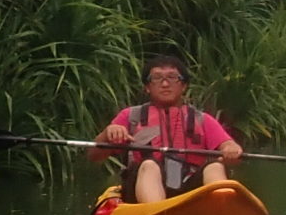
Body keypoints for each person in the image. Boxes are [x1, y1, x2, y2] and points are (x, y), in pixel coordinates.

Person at [91, 52, 243, 205]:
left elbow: (229, 146)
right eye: (157, 78)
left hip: (189, 189)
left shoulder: (202, 120)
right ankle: (157, 212)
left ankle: (220, 209)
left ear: (183, 86)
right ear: (147, 87)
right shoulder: (130, 116)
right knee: (149, 165)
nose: (164, 84)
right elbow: (94, 156)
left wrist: (231, 149)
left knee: (215, 166)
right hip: (140, 191)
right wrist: (107, 134)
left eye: (172, 78)